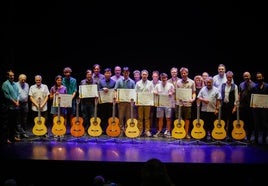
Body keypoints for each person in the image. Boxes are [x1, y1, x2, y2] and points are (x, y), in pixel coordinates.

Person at [197, 76, 222, 141]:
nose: (208, 83)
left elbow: (218, 100)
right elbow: (199, 97)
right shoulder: (203, 89)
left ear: (212, 82)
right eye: (207, 82)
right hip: (204, 110)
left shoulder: (216, 89)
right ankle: (204, 136)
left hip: (213, 110)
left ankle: (213, 136)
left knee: (212, 124)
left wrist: (217, 109)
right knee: (204, 124)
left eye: (210, 82)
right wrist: (203, 100)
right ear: (205, 82)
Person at [2, 70, 23, 142]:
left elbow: (18, 94)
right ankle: (7, 138)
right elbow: (7, 95)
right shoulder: (5, 84)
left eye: (13, 75)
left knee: (14, 123)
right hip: (9, 107)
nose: (12, 77)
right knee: (7, 124)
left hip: (15, 107)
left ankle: (13, 137)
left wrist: (17, 101)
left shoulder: (15, 84)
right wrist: (14, 102)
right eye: (11, 75)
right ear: (7, 76)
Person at [114, 66, 135, 137]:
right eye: (124, 72)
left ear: (129, 73)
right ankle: (121, 130)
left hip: (129, 103)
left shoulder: (132, 82)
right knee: (121, 116)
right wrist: (116, 98)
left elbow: (134, 92)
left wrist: (133, 100)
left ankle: (127, 129)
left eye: (127, 72)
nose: (126, 74)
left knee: (128, 116)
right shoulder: (119, 81)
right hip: (121, 102)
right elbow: (115, 90)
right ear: (122, 73)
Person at [176, 67, 196, 139]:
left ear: (187, 73)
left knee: (187, 119)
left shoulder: (192, 82)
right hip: (179, 104)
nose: (184, 74)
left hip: (188, 103)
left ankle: (186, 133)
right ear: (181, 74)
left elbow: (194, 92)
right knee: (179, 119)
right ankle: (179, 133)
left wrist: (193, 99)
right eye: (182, 73)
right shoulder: (178, 82)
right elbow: (176, 92)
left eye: (185, 73)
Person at [153, 73, 175, 138]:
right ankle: (159, 131)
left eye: (165, 78)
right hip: (160, 104)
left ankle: (168, 131)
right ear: (160, 78)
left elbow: (174, 91)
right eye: (162, 78)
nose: (164, 79)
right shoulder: (157, 85)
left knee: (168, 118)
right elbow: (154, 91)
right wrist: (155, 92)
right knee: (160, 118)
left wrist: (172, 92)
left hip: (168, 104)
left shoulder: (170, 85)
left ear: (167, 78)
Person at [135, 69, 154, 137]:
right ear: (141, 75)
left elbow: (152, 93)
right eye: (143, 74)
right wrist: (136, 102)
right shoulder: (138, 83)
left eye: (145, 74)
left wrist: (151, 102)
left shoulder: (150, 83)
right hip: (140, 102)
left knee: (147, 117)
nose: (144, 76)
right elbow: (136, 93)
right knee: (140, 117)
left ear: (147, 75)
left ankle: (147, 130)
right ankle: (140, 130)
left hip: (147, 103)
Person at [220, 71, 239, 141]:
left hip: (231, 105)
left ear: (232, 77)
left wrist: (235, 107)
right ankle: (223, 135)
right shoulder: (223, 85)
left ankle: (230, 136)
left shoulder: (235, 86)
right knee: (223, 121)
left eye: (230, 77)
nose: (229, 78)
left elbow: (236, 98)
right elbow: (220, 95)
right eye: (228, 77)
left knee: (231, 121)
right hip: (224, 105)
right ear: (226, 77)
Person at [251, 72, 268, 144]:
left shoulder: (267, 86)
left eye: (260, 77)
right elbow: (253, 97)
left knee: (265, 124)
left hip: (265, 109)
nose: (259, 79)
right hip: (256, 109)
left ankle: (264, 139)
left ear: (263, 77)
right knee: (256, 124)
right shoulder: (254, 87)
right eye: (257, 77)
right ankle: (256, 140)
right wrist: (252, 104)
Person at [238, 71, 256, 141]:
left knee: (249, 122)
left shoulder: (254, 85)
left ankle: (248, 137)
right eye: (245, 76)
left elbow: (255, 96)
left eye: (247, 76)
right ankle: (242, 135)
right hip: (242, 106)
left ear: (250, 76)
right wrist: (238, 103)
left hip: (250, 106)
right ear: (243, 77)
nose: (246, 77)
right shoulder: (241, 84)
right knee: (243, 122)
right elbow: (239, 94)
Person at [98, 68, 116, 133]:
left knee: (110, 115)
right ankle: (103, 129)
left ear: (111, 74)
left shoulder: (114, 82)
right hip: (103, 102)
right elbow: (98, 90)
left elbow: (115, 91)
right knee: (102, 115)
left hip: (110, 102)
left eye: (109, 73)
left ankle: (110, 128)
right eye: (106, 73)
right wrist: (103, 89)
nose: (108, 74)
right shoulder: (100, 81)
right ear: (104, 74)